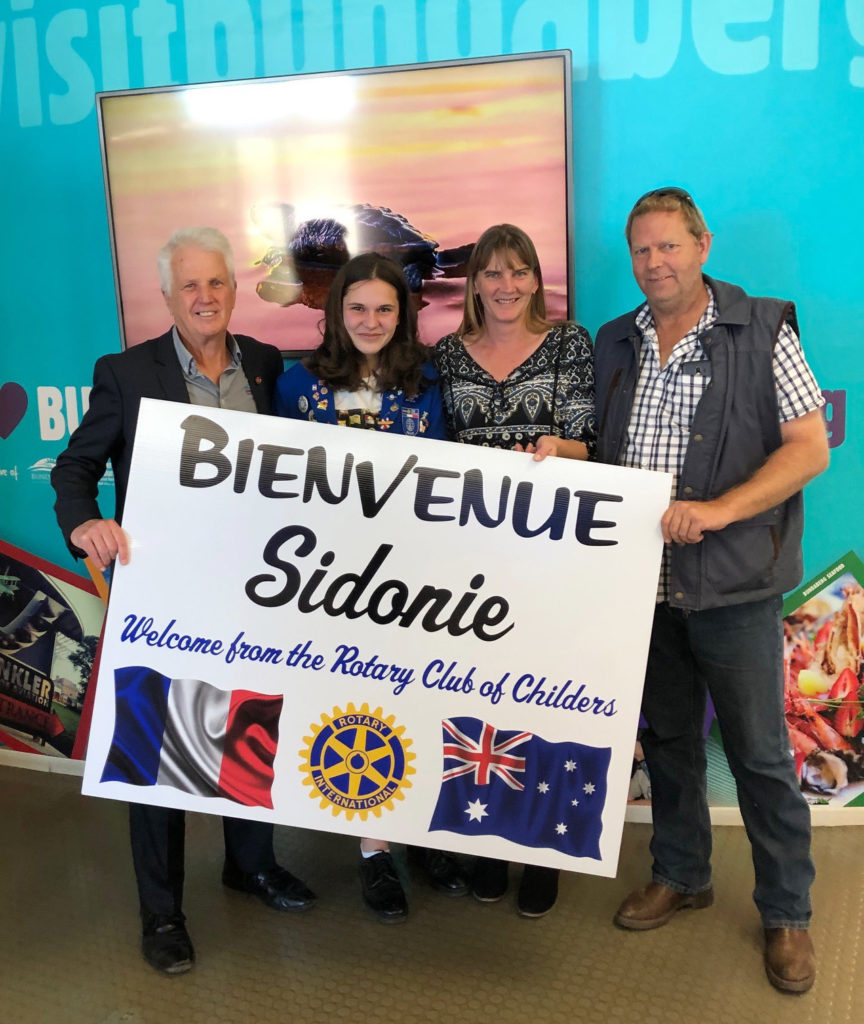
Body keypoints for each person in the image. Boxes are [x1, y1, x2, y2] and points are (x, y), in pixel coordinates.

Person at [51, 226, 317, 975]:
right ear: (166, 296)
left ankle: (250, 864)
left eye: (217, 284)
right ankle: (162, 913)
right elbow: (74, 472)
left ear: (234, 291)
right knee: (156, 755)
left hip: (256, 594)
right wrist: (85, 523)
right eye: (190, 285)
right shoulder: (125, 373)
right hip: (164, 598)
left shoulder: (265, 365)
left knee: (250, 727)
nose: (205, 297)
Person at [594, 187, 829, 994]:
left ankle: (786, 913)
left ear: (702, 245)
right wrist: (565, 448)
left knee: (762, 759)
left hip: (734, 587)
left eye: (669, 246)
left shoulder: (764, 328)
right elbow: (605, 451)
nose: (654, 263)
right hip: (645, 589)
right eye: (641, 251)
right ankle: (682, 873)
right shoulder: (614, 342)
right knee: (669, 744)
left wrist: (722, 510)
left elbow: (809, 448)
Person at [274, 251, 468, 922]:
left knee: (419, 701)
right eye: (357, 307)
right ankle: (373, 850)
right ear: (337, 312)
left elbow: (447, 475)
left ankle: (417, 836)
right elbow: (282, 489)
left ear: (404, 314)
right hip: (331, 582)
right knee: (358, 708)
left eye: (386, 308)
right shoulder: (296, 386)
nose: (371, 320)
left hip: (415, 580)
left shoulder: (430, 383)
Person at [433, 223, 597, 917]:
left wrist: (560, 447)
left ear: (536, 280)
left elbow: (591, 447)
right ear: (473, 283)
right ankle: (488, 838)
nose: (504, 286)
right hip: (470, 567)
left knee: (544, 701)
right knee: (479, 704)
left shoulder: (569, 344)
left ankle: (541, 848)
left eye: (517, 272)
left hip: (552, 561)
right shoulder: (445, 354)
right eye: (491, 273)